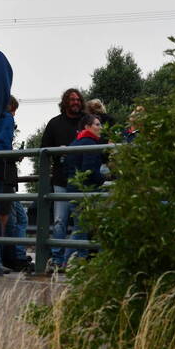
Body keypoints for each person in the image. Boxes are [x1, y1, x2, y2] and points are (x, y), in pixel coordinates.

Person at [41, 88, 85, 267]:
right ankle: (57, 259)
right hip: (61, 179)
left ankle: (76, 259)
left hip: (82, 179)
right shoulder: (55, 123)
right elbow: (44, 149)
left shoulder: (86, 122)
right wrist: (58, 151)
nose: (75, 102)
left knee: (81, 221)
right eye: (72, 100)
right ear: (65, 102)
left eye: (78, 100)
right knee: (60, 221)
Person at [0, 96, 28, 270]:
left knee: (11, 218)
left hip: (0, 172)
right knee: (4, 218)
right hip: (3, 173)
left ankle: (8, 256)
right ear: (10, 107)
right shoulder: (7, 119)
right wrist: (11, 155)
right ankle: (4, 257)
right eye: (14, 110)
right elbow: (2, 146)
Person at [62, 113, 107, 264]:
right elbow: (89, 171)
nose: (100, 127)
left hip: (72, 189)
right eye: (97, 124)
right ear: (88, 127)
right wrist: (105, 178)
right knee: (83, 229)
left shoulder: (75, 142)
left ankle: (70, 261)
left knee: (80, 228)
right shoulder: (91, 144)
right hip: (84, 191)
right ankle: (66, 261)